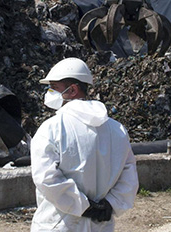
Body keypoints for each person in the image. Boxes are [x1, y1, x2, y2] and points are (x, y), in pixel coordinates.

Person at [30, 57, 139, 231]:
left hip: (60, 225)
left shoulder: (52, 128)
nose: (49, 93)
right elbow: (129, 173)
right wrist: (110, 205)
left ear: (72, 90)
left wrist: (83, 207)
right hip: (101, 225)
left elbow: (45, 178)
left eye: (54, 88)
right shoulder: (117, 129)